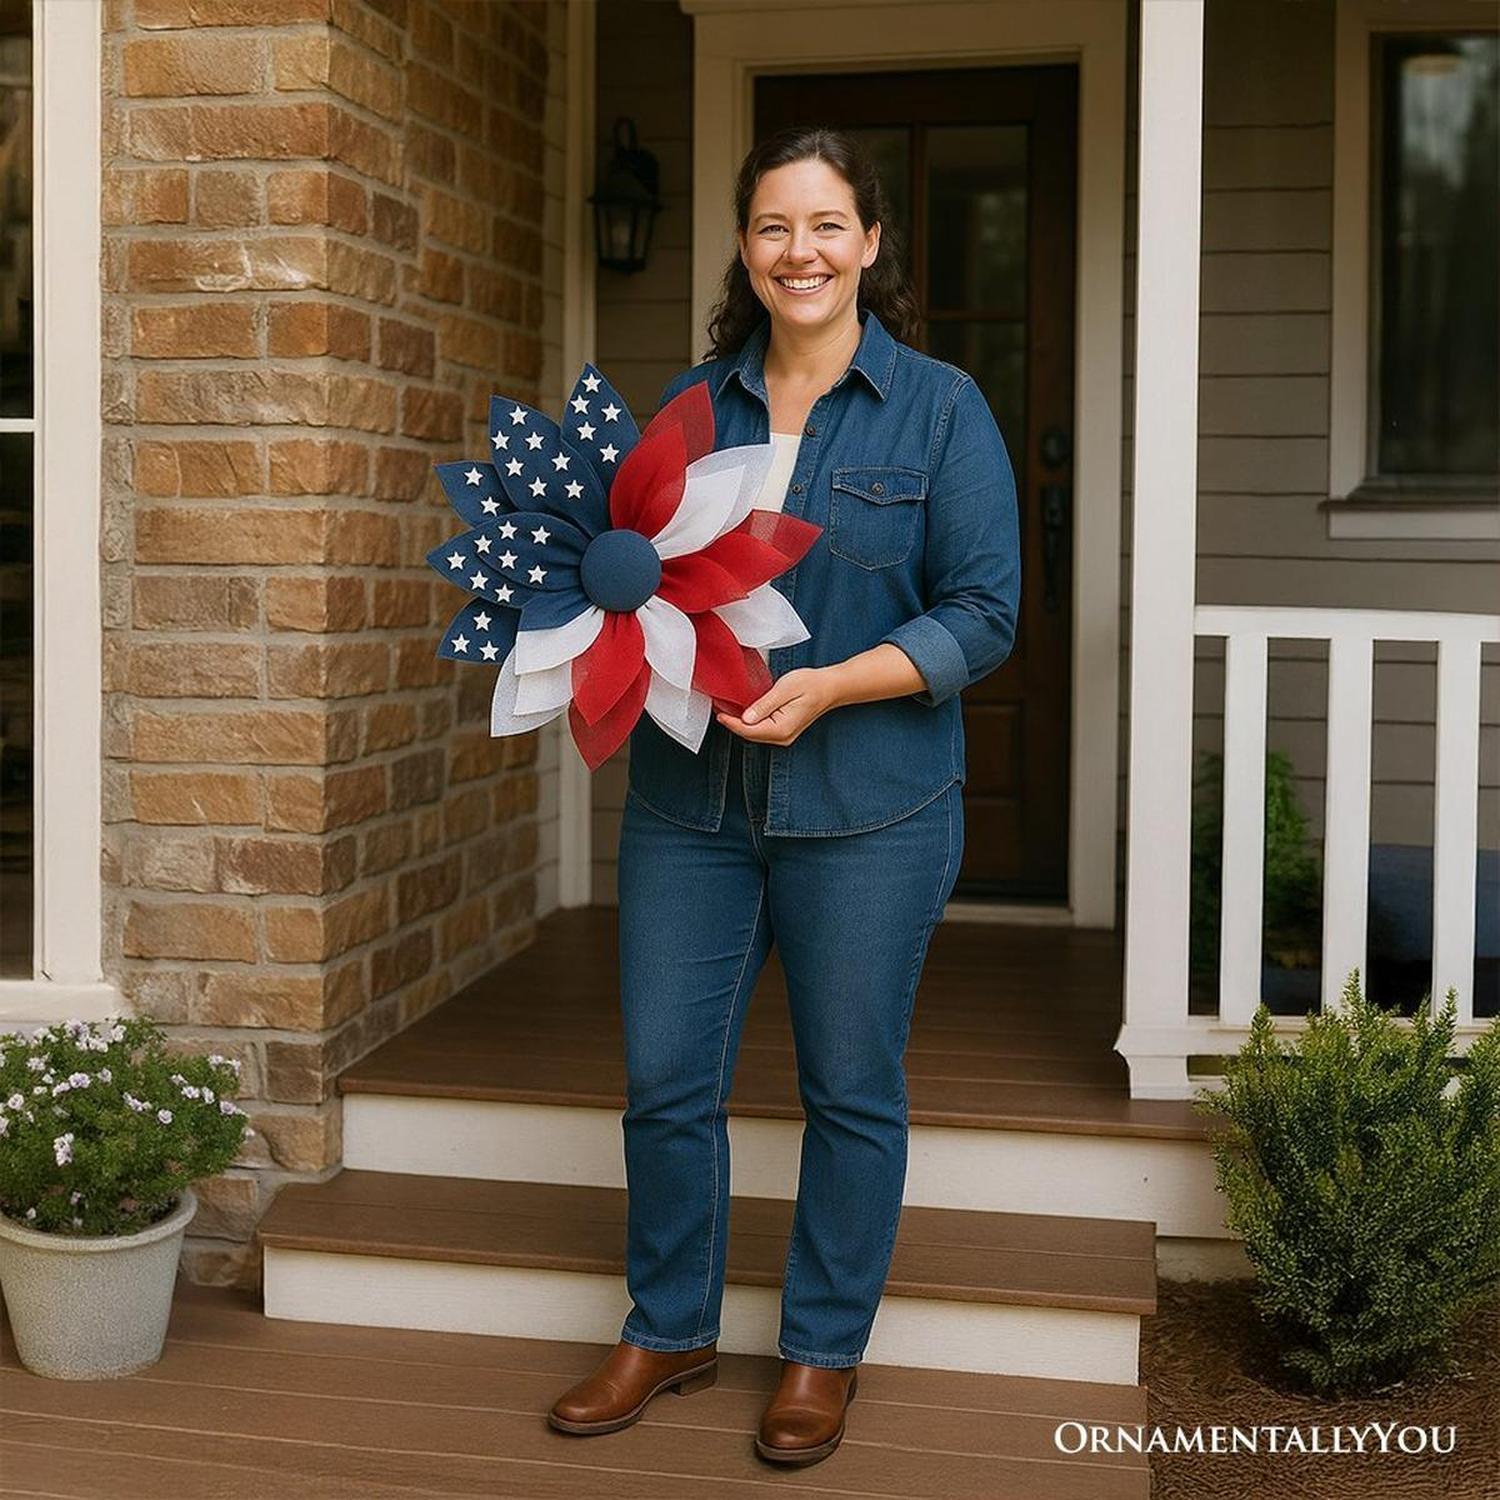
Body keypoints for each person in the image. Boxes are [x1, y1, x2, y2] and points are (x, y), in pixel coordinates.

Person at [547, 125, 1021, 1468]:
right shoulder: (691, 410)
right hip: (690, 809)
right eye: (772, 228)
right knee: (662, 1078)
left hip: (870, 807)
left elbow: (984, 615)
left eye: (825, 226)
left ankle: (820, 1352)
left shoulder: (943, 409)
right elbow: (622, 570)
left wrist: (832, 685)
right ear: (746, 254)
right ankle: (671, 1324)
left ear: (870, 243)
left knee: (852, 1088)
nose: (798, 251)